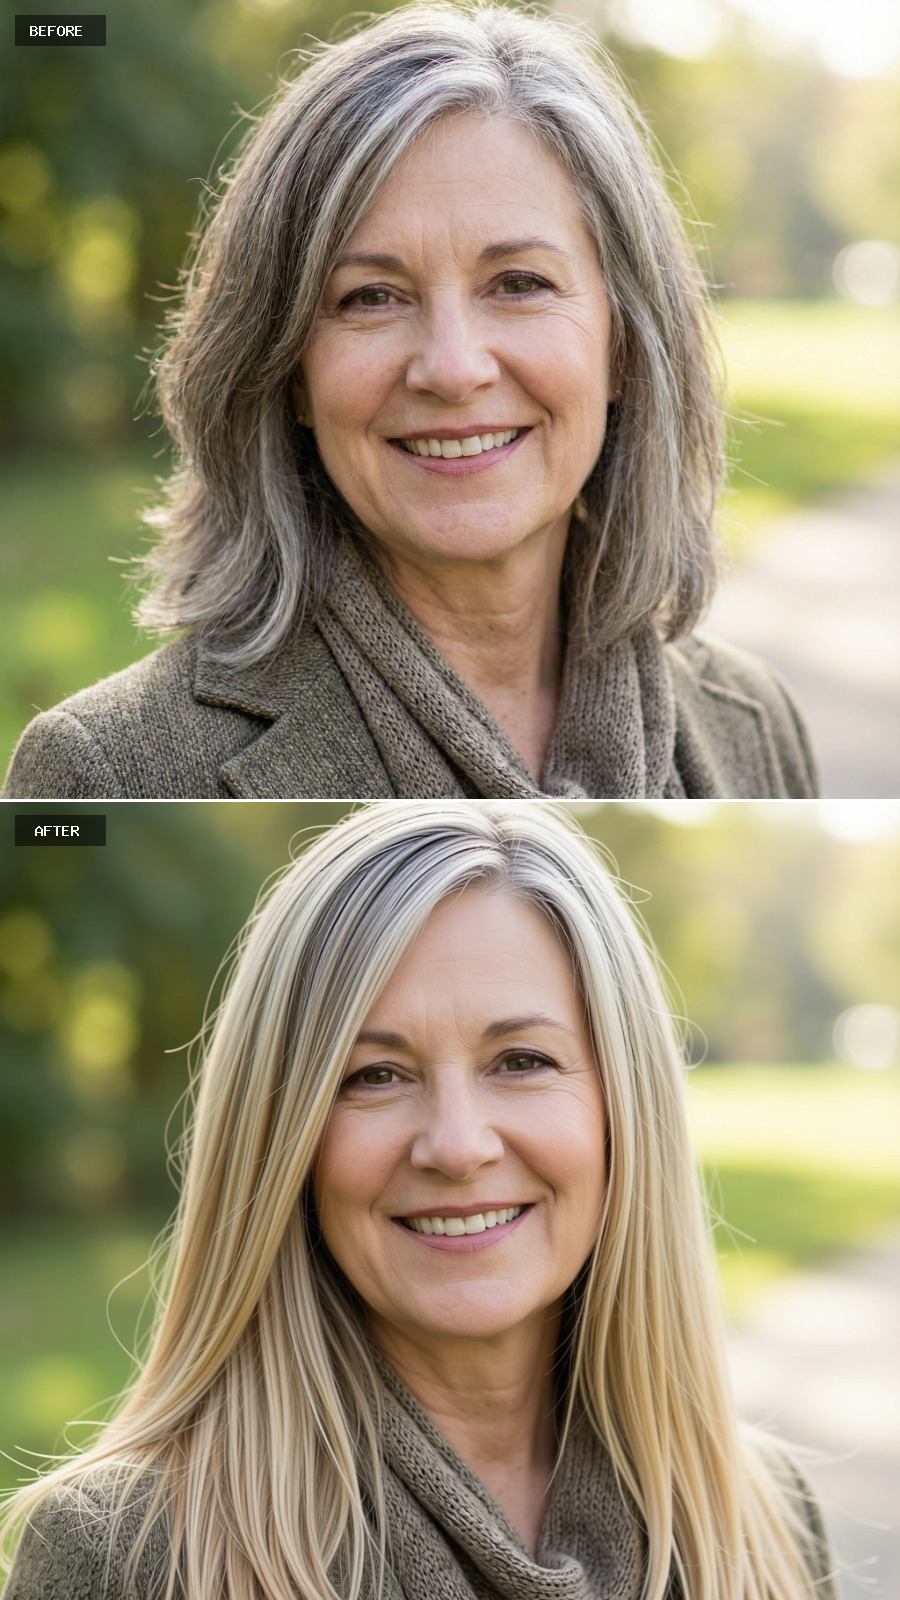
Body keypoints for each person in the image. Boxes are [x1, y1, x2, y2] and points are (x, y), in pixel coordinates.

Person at [0, 801, 837, 1599]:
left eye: (521, 1061)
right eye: (375, 1076)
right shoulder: (126, 1556)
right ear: (281, 1141)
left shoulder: (762, 1517)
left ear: (625, 1108)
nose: (458, 1145)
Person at [3, 4, 817, 801]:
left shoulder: (754, 721)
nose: (453, 368)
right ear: (288, 372)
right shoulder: (107, 771)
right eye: (371, 298)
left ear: (627, 346)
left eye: (520, 283)